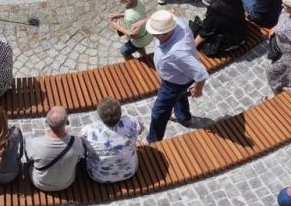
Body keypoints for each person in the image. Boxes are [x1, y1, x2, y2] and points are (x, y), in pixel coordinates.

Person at [145, 10, 207, 143]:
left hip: (174, 82)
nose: (152, 35)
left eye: (154, 33)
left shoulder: (177, 53)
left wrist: (197, 90)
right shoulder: (177, 23)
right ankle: (183, 117)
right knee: (180, 95)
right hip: (179, 74)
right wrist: (143, 22)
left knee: (159, 111)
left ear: (164, 34)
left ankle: (153, 140)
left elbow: (201, 73)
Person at [81, 97, 141, 184]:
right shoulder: (131, 122)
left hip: (99, 176)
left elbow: (81, 144)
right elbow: (141, 129)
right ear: (120, 113)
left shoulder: (88, 131)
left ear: (100, 116)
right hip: (129, 172)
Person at [25, 107, 84, 193]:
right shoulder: (77, 142)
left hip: (41, 184)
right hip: (66, 183)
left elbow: (29, 157)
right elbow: (79, 158)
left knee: (27, 140)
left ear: (46, 122)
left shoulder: (35, 143)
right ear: (67, 123)